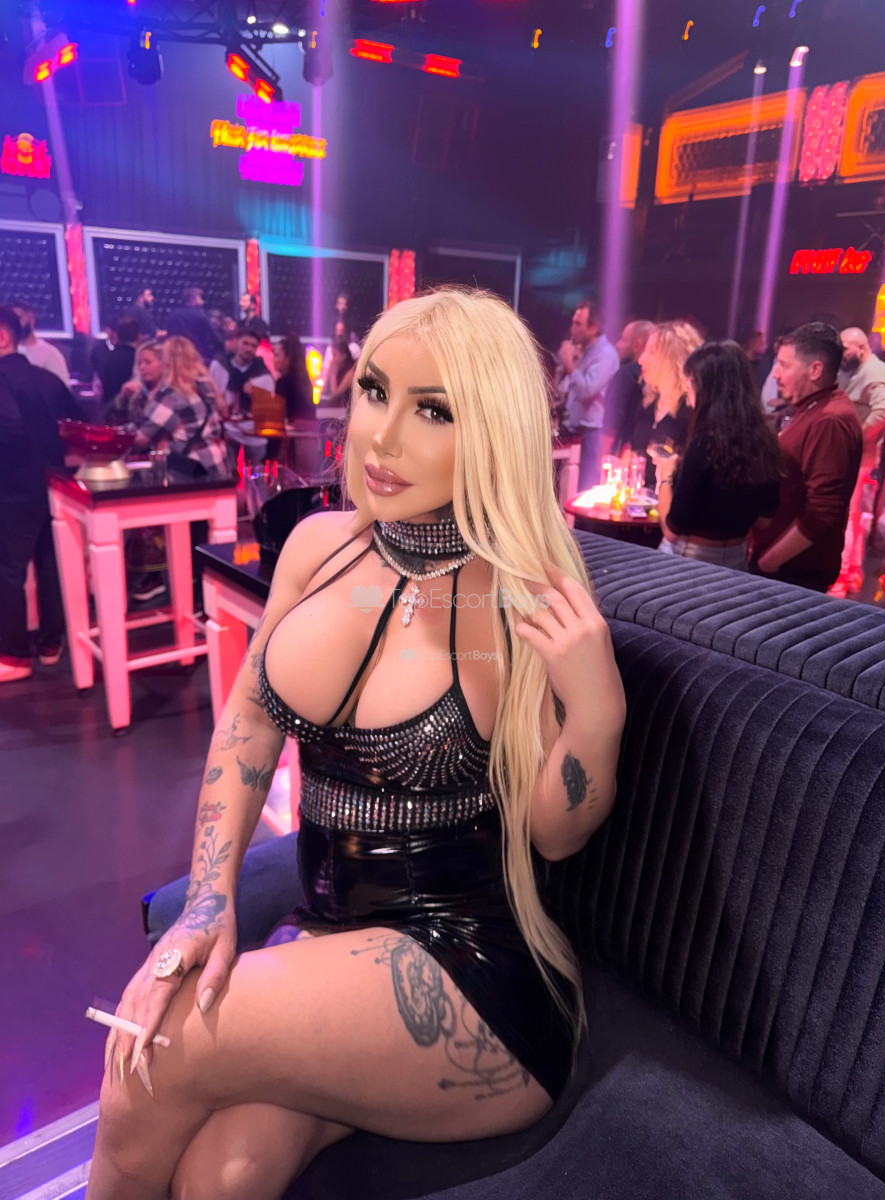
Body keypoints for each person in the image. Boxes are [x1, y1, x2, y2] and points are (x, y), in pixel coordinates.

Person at [87, 287, 626, 1200]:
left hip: (472, 974)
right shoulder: (317, 546)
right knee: (224, 1177)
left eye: (433, 411)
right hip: (332, 936)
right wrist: (208, 899)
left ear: (494, 431)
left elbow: (555, 834)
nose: (381, 436)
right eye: (375, 391)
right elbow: (250, 723)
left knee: (155, 1044)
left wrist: (597, 710)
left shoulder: (523, 592)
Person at [750, 323, 862, 592]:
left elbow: (822, 511)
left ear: (815, 370)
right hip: (785, 566)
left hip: (795, 571)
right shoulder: (814, 407)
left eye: (784, 365)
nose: (775, 374)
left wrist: (768, 562)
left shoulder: (829, 420)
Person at [0, 305, 80, 682]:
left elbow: (10, 430)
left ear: (2, 336)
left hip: (13, 488)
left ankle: (14, 657)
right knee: (50, 565)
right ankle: (51, 643)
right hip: (55, 483)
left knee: (9, 571)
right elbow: (77, 428)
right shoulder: (47, 379)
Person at [654, 340, 783, 570]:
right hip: (738, 557)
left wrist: (665, 477)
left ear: (702, 386)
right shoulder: (765, 440)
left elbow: (672, 531)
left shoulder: (703, 444)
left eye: (689, 383)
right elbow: (765, 520)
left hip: (691, 558)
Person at [827, 326, 885, 596]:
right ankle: (853, 570)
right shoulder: (861, 369)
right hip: (856, 455)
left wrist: (856, 438)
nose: (842, 353)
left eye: (845, 348)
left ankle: (840, 577)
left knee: (845, 515)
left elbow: (884, 410)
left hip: (856, 456)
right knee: (853, 515)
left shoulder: (874, 371)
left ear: (861, 347)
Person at [129, 337, 230, 479]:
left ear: (167, 361)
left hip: (193, 471)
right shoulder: (205, 385)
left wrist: (111, 435)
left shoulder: (172, 395)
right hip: (217, 463)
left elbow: (141, 436)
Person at [558, 299, 619, 491]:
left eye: (578, 324)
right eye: (573, 323)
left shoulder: (605, 354)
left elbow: (586, 391)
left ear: (594, 328)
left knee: (584, 490)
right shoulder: (584, 352)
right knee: (567, 489)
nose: (572, 329)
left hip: (591, 434)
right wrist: (565, 367)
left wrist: (569, 364)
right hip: (574, 431)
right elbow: (563, 390)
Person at [638, 321, 703, 486]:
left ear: (672, 357)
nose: (641, 359)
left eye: (651, 352)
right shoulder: (646, 405)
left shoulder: (691, 412)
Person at [606, 320, 655, 456]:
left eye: (623, 339)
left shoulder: (626, 374)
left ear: (637, 345)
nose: (617, 345)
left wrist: (604, 454)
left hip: (623, 450)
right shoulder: (658, 377)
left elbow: (611, 421)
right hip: (647, 452)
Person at [209, 328, 275, 416]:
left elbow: (270, 408)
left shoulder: (263, 376)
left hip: (252, 422)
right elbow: (210, 397)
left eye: (253, 346)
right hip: (223, 420)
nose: (249, 349)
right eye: (245, 343)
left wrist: (258, 395)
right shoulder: (220, 367)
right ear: (236, 343)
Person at [10, 300, 70, 386]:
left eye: (19, 318)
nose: (15, 324)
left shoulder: (50, 354)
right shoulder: (6, 353)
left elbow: (62, 388)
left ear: (31, 319)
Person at [165, 287, 221, 365]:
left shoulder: (174, 314)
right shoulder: (201, 315)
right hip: (199, 355)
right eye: (200, 298)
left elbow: (170, 336)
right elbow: (214, 336)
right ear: (192, 300)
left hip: (178, 355)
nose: (202, 302)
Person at [273, 332, 316, 422]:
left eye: (276, 355)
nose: (273, 359)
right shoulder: (304, 380)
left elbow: (279, 416)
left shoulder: (284, 382)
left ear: (287, 358)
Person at [99, 318, 140, 407]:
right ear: (138, 337)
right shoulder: (138, 359)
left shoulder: (107, 357)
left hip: (109, 408)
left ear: (118, 336)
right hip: (127, 409)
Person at [322, 338, 356, 408]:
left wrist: (333, 374)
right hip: (333, 407)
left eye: (335, 355)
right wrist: (328, 374)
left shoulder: (351, 371)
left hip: (345, 408)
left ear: (344, 356)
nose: (333, 358)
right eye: (332, 355)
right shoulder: (336, 366)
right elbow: (324, 390)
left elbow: (335, 394)